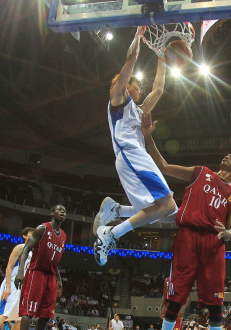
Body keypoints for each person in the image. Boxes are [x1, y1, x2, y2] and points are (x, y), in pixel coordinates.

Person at [142, 113, 231, 330]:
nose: (226, 156)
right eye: (225, 154)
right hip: (187, 238)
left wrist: (229, 233)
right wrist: (147, 135)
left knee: (216, 305)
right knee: (175, 299)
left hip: (213, 244)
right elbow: (163, 165)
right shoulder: (201, 173)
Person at [93, 26, 180, 266]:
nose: (141, 89)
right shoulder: (118, 99)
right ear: (124, 85)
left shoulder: (140, 111)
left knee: (169, 215)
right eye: (137, 85)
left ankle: (116, 210)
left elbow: (159, 89)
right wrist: (137, 36)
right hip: (130, 155)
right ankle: (111, 233)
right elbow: (131, 59)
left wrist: (162, 56)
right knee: (168, 206)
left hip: (136, 158)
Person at [13, 205, 67, 330]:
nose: (63, 213)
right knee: (28, 312)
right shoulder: (42, 228)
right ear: (52, 213)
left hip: (50, 276)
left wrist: (59, 280)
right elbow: (26, 249)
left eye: (65, 211)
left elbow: (55, 261)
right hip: (36, 272)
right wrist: (21, 271)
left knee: (46, 315)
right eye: (59, 210)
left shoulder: (63, 235)